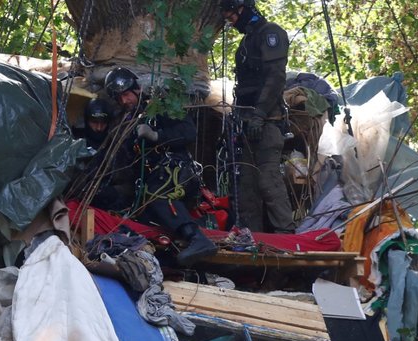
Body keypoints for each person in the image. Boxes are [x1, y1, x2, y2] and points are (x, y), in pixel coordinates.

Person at [102, 66, 217, 266]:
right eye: (119, 98)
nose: (124, 101)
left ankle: (197, 239)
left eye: (126, 95)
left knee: (157, 195)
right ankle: (171, 265)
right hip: (150, 181)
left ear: (136, 88)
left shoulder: (159, 107)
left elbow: (189, 132)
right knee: (145, 216)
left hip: (177, 174)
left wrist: (157, 136)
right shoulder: (128, 121)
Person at [220, 0, 294, 233]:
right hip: (246, 122)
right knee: (247, 188)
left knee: (268, 180)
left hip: (267, 122)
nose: (231, 22)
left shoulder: (271, 33)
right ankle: (252, 237)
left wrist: (260, 115)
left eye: (232, 16)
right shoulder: (246, 41)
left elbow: (275, 78)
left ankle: (286, 234)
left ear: (245, 9)